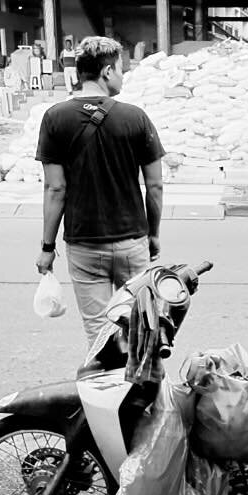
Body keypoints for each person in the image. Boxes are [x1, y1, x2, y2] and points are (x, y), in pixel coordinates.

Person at [36, 36, 165, 346]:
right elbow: (155, 186)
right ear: (107, 71)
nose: (123, 75)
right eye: (121, 69)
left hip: (84, 244)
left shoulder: (55, 118)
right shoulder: (135, 117)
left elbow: (55, 189)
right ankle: (145, 392)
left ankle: (106, 390)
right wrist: (153, 234)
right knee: (142, 331)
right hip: (132, 241)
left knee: (101, 338)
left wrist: (47, 246)